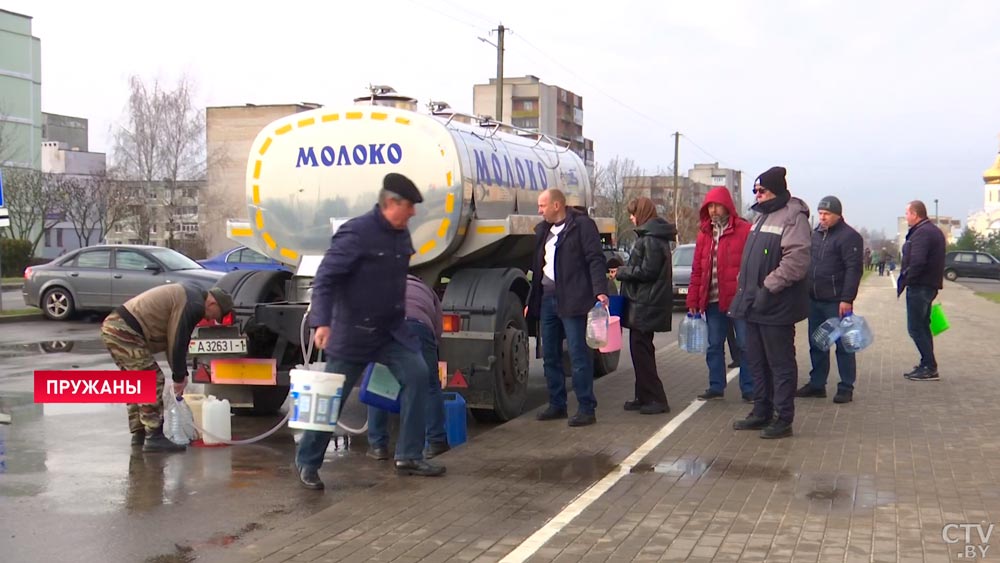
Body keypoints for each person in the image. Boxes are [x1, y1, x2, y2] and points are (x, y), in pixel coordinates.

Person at [297, 173, 445, 490]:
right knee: (331, 398)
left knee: (418, 375)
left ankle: (409, 455)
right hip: (353, 332)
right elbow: (326, 278)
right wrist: (321, 321)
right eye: (409, 206)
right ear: (391, 204)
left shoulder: (401, 235)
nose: (413, 213)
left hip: (391, 330)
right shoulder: (357, 233)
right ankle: (308, 463)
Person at [728, 166, 811, 439]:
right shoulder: (761, 216)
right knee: (756, 361)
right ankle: (761, 410)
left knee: (780, 364)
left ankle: (782, 418)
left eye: (761, 190)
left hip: (776, 305)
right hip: (754, 304)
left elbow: (796, 260)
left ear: (774, 190)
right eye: (755, 190)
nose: (757, 195)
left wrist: (768, 287)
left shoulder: (793, 216)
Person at [101, 284, 233, 453]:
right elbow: (178, 340)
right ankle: (154, 436)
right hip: (124, 330)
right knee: (152, 378)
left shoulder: (191, 296)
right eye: (217, 316)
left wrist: (180, 375)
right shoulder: (194, 305)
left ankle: (139, 433)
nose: (212, 319)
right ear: (213, 304)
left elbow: (173, 341)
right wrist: (179, 377)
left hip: (115, 326)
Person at [526, 188, 609, 427]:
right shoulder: (543, 231)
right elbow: (537, 266)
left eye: (542, 206)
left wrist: (600, 290)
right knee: (549, 354)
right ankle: (557, 404)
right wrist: (531, 299)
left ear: (556, 205)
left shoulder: (581, 226)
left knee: (577, 353)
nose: (539, 210)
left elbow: (595, 258)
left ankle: (586, 407)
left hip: (573, 299)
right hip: (547, 300)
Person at [366, 274, 450, 461]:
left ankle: (378, 445)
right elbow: (437, 329)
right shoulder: (427, 290)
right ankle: (436, 442)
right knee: (430, 386)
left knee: (380, 383)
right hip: (419, 327)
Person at [686, 187, 754, 402]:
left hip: (739, 300)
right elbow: (697, 269)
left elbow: (754, 264)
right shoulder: (704, 234)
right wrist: (693, 300)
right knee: (714, 345)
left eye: (716, 205)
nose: (713, 211)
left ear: (727, 206)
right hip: (713, 301)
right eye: (709, 207)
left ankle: (750, 388)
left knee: (745, 345)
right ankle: (716, 386)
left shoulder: (744, 230)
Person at [796, 196, 864, 404]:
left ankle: (846, 386)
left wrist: (847, 298)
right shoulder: (815, 235)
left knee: (843, 345)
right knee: (817, 342)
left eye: (827, 214)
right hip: (814, 299)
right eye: (821, 213)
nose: (823, 218)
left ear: (838, 215)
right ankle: (817, 384)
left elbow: (854, 270)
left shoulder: (849, 237)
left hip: (836, 301)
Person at [613, 197, 675, 415]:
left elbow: (647, 272)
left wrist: (621, 272)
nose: (631, 217)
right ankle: (643, 396)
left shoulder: (649, 239)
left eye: (633, 213)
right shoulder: (655, 238)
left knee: (642, 353)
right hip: (646, 304)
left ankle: (657, 399)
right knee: (640, 351)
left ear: (643, 213)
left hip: (645, 305)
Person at [898, 200, 946, 381]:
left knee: (916, 328)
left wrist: (908, 280)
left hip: (920, 286)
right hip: (928, 285)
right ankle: (927, 363)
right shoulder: (931, 230)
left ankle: (929, 366)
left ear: (915, 214)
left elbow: (917, 262)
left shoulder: (922, 233)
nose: (906, 217)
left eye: (907, 213)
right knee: (923, 326)